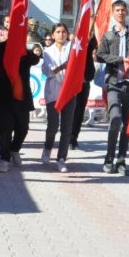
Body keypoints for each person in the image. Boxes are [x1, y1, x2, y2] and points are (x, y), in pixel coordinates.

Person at [95, 0, 129, 176]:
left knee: (127, 125)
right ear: (113, 13)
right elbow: (100, 56)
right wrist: (121, 60)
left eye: (123, 10)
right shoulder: (108, 36)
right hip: (114, 83)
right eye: (117, 10)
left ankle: (121, 160)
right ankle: (108, 158)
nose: (120, 13)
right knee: (115, 119)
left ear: (127, 12)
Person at [0, 33, 41, 172]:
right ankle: (4, 158)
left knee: (23, 128)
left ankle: (15, 149)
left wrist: (21, 48)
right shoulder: (2, 50)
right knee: (6, 129)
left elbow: (35, 59)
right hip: (5, 99)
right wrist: (10, 43)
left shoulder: (25, 54)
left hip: (22, 100)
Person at [41, 23, 77, 170]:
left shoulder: (73, 48)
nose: (61, 34)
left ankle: (61, 158)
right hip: (53, 92)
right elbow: (48, 72)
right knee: (53, 125)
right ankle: (48, 147)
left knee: (67, 127)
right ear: (53, 34)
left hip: (69, 91)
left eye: (64, 32)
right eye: (58, 32)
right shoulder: (47, 51)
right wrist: (62, 67)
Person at [69, 36, 96, 149]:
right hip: (70, 83)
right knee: (69, 111)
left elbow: (94, 42)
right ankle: (66, 135)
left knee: (79, 112)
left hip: (84, 83)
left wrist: (91, 36)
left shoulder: (88, 47)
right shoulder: (70, 44)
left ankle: (73, 137)